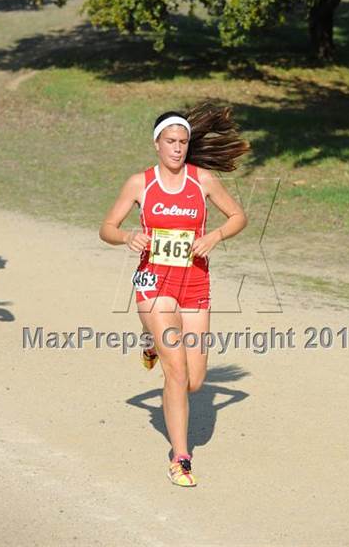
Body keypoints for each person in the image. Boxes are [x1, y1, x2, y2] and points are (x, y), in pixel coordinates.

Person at [99, 102, 250, 486]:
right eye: (170, 141)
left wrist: (214, 236)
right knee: (176, 372)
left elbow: (238, 217)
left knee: (195, 381)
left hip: (195, 282)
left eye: (182, 141)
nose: (177, 148)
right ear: (157, 144)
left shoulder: (203, 181)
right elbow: (107, 228)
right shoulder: (140, 183)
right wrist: (129, 235)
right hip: (153, 282)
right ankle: (180, 457)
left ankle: (152, 343)